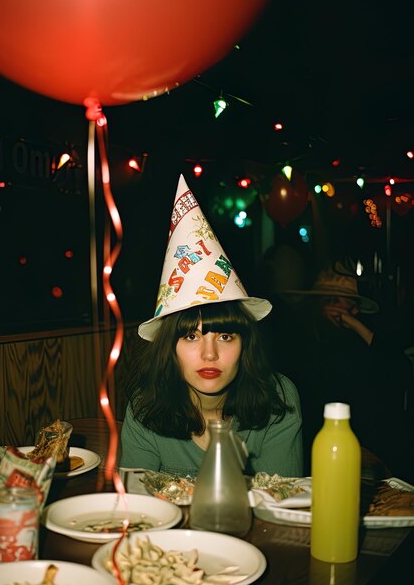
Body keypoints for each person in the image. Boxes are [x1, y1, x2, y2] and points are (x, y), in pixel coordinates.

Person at [119, 175, 303, 478]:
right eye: (191, 336)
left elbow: (280, 505)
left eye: (226, 336)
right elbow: (137, 509)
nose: (209, 355)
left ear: (245, 344)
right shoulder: (146, 407)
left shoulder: (278, 399)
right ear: (169, 348)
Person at [279, 262, 413, 479]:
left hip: (367, 445)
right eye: (348, 303)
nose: (355, 310)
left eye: (355, 305)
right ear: (326, 303)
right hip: (319, 447)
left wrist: (358, 326)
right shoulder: (299, 344)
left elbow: (402, 371)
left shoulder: (354, 341)